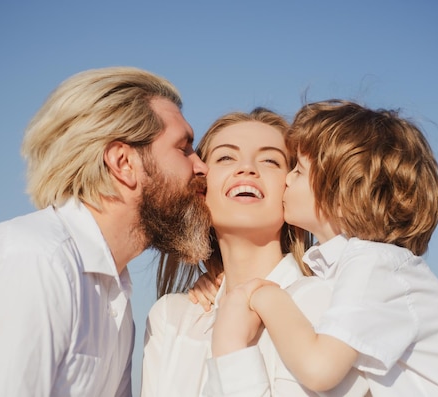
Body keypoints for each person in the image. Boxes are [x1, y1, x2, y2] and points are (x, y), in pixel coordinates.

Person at [0, 66, 212, 397]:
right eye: (183, 148)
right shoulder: (33, 263)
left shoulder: (116, 296)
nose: (201, 166)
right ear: (123, 163)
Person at [213, 99, 438, 396]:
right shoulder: (355, 266)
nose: (287, 179)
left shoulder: (374, 263)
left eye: (299, 171)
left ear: (342, 195)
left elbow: (319, 370)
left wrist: (265, 296)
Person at [141, 108, 370, 396]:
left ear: (292, 186)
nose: (247, 168)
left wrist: (231, 346)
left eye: (270, 160)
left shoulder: (333, 305)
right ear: (200, 185)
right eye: (225, 157)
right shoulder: (170, 317)